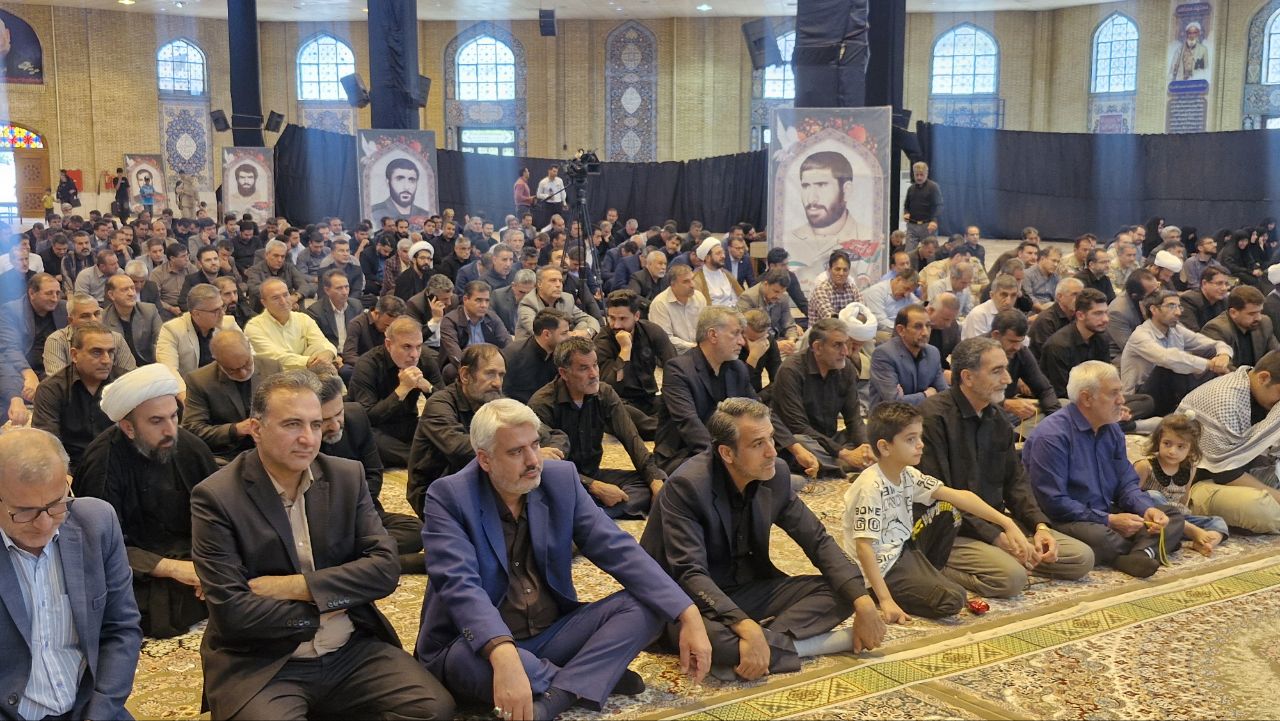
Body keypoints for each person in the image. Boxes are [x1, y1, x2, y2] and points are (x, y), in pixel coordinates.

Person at [415, 398, 710, 720]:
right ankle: (590, 678)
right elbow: (460, 587)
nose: (533, 460)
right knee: (480, 663)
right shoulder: (449, 496)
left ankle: (555, 695)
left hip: (552, 632)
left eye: (535, 445)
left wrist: (688, 612)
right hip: (475, 645)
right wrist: (503, 653)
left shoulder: (560, 479)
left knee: (648, 604)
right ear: (485, 459)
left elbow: (616, 548)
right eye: (516, 452)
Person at [190, 370, 454, 720]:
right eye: (292, 424)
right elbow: (233, 612)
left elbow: (384, 570)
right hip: (264, 661)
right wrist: (330, 604)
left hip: (350, 648)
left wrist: (297, 587)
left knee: (433, 709)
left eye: (315, 425)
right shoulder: (216, 496)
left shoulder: (346, 476)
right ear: (256, 429)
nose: (308, 438)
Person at [641, 397, 883, 682]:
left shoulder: (775, 474)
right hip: (685, 600)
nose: (772, 452)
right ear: (727, 453)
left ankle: (755, 650)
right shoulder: (687, 486)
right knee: (719, 642)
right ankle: (784, 646)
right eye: (758, 444)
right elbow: (689, 574)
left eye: (771, 438)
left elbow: (816, 539)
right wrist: (745, 625)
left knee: (843, 591)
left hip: (744, 587)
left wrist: (863, 600)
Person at [918, 338, 1094, 598]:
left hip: (996, 521)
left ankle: (1014, 559)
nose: (1008, 379)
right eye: (997, 371)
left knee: (1081, 557)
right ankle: (934, 566)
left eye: (1006, 369)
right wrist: (997, 538)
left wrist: (1040, 527)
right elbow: (942, 499)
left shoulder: (997, 417)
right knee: (1011, 579)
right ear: (967, 377)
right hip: (950, 529)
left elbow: (1016, 481)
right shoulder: (933, 418)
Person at [0, 428, 142, 721]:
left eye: (56, 505)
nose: (44, 524)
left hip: (90, 707)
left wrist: (98, 712)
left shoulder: (96, 523)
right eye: (25, 512)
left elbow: (121, 629)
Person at [843, 401, 1030, 621]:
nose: (920, 445)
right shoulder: (870, 487)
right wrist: (886, 600)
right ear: (885, 447)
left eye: (919, 437)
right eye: (910, 439)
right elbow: (864, 547)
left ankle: (930, 574)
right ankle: (879, 591)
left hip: (903, 548)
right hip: (881, 568)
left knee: (948, 509)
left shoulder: (907, 473)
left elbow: (960, 496)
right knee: (953, 599)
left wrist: (1007, 523)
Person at [76, 364, 217, 638]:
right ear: (128, 427)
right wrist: (172, 569)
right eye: (156, 421)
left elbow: (219, 516)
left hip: (192, 556)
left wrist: (208, 564)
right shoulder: (102, 463)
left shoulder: (190, 447)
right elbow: (97, 546)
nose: (170, 430)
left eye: (173, 416)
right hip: (137, 569)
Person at [1024, 361, 1185, 578]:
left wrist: (1145, 509)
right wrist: (1109, 520)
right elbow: (1054, 503)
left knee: (1171, 515)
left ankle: (1137, 554)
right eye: (1113, 393)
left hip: (1105, 510)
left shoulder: (1111, 429)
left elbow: (1126, 482)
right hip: (1069, 519)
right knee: (1100, 537)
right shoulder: (1052, 437)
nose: (1122, 400)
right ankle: (1148, 548)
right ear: (1086, 398)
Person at [406, 343, 568, 516]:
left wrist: (547, 453)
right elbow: (459, 449)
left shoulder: (497, 402)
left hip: (484, 482)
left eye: (501, 375)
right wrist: (528, 454)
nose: (497, 383)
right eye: (490, 374)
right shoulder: (439, 404)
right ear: (465, 375)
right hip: (437, 490)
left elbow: (555, 436)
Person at [653, 306, 816, 476]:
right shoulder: (679, 369)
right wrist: (732, 460)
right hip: (685, 454)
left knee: (783, 463)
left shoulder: (736, 368)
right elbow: (689, 424)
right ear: (713, 335)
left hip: (728, 451)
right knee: (771, 472)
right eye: (736, 334)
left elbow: (760, 412)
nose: (742, 342)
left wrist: (795, 448)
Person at [529, 337, 665, 518]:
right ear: (564, 373)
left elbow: (632, 440)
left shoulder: (604, 393)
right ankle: (594, 514)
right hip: (563, 481)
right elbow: (546, 466)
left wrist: (655, 480)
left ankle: (588, 515)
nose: (594, 374)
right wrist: (593, 486)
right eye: (584, 368)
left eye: (595, 365)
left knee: (649, 484)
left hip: (593, 473)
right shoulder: (542, 405)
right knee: (547, 497)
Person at [314, 372, 426, 575]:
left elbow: (374, 472)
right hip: (321, 521)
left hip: (360, 510)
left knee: (416, 530)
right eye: (325, 420)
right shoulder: (301, 440)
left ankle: (356, 561)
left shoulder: (356, 416)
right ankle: (388, 562)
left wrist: (354, 507)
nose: (335, 425)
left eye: (338, 414)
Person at [770, 318, 873, 479]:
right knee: (800, 442)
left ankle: (838, 463)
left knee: (869, 430)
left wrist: (866, 447)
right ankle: (842, 464)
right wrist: (844, 453)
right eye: (837, 345)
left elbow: (853, 418)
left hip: (829, 440)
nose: (845, 351)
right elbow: (798, 427)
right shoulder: (791, 370)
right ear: (817, 347)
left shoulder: (846, 369)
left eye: (846, 344)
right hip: (800, 442)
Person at [347, 317, 443, 468]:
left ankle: (417, 457)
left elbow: (444, 404)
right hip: (377, 427)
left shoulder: (424, 359)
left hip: (408, 422)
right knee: (366, 436)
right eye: (407, 347)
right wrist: (402, 389)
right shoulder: (367, 364)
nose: (414, 354)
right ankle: (419, 459)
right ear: (388, 344)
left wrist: (428, 387)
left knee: (440, 426)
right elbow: (368, 417)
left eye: (418, 346)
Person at [1120, 289, 1232, 415]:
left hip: (1167, 392)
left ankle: (1209, 406)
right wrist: (1210, 364)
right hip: (1140, 398)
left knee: (1211, 356)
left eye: (1179, 307)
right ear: (1154, 309)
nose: (1178, 312)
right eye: (1171, 306)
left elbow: (1214, 343)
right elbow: (1167, 358)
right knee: (1171, 367)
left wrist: (1223, 355)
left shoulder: (1176, 330)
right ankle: (1190, 406)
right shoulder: (1141, 335)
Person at [181, 328, 285, 462]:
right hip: (229, 455)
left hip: (272, 447)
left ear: (249, 348)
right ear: (217, 361)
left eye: (246, 364)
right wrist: (235, 429)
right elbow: (193, 430)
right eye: (232, 370)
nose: (242, 373)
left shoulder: (272, 368)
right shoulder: (200, 381)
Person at [1132, 414, 1228, 557]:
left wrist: (1183, 518)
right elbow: (1132, 497)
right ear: (1158, 441)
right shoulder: (1145, 466)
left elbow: (1183, 499)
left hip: (1179, 519)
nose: (1172, 451)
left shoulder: (1190, 468)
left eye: (1180, 446)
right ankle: (1191, 531)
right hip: (1155, 521)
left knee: (1218, 522)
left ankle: (1205, 543)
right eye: (1167, 443)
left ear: (1191, 449)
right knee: (1153, 496)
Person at [32, 321, 120, 475]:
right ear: (74, 355)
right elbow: (48, 445)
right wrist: (65, 479)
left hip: (119, 469)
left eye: (110, 352)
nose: (106, 360)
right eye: (97, 352)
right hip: (72, 471)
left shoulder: (123, 383)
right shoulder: (51, 389)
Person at [594, 289, 675, 439]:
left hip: (648, 399)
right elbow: (610, 386)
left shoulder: (651, 331)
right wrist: (625, 350)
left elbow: (674, 366)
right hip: (619, 403)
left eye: (623, 319)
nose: (616, 325)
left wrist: (671, 396)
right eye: (612, 318)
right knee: (622, 414)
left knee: (677, 401)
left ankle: (664, 426)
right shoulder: (602, 341)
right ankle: (668, 429)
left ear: (636, 316)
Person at [784, 152, 863, 281]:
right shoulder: (788, 239)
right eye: (806, 186)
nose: (811, 199)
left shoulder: (867, 237)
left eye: (821, 185)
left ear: (846, 190)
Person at [0, 273, 68, 423]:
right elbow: (10, 349)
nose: (55, 299)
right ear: (32, 293)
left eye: (58, 293)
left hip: (52, 367)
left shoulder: (63, 308)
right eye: (49, 293)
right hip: (20, 367)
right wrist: (29, 375)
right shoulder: (11, 311)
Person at [245, 278, 339, 372]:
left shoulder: (303, 319)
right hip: (277, 376)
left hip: (310, 371)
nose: (283, 301)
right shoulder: (254, 327)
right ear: (264, 303)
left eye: (286, 295)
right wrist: (309, 361)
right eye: (275, 298)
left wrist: (328, 353)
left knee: (321, 350)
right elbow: (275, 358)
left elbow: (322, 342)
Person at [869, 304, 948, 407]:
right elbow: (894, 402)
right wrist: (926, 395)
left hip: (924, 415)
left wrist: (906, 398)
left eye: (928, 326)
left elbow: (944, 395)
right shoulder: (884, 355)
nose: (925, 333)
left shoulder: (933, 353)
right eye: (918, 327)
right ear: (901, 330)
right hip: (891, 416)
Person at [989, 309, 1061, 421]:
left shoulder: (1020, 352)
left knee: (1062, 405)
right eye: (1012, 341)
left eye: (1020, 341)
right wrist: (1005, 404)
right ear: (996, 335)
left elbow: (1044, 390)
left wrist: (1057, 421)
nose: (1017, 347)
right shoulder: (976, 353)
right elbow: (970, 399)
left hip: (1008, 414)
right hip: (982, 418)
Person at [439, 280, 511, 382]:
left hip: (490, 362)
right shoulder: (450, 320)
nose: (484, 305)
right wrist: (476, 371)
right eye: (478, 300)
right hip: (466, 364)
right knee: (450, 370)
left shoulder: (491, 317)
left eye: (487, 301)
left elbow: (507, 342)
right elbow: (455, 354)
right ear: (465, 299)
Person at [1201, 284, 1279, 369]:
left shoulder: (1264, 323)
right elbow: (1222, 368)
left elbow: (1276, 354)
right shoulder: (1216, 329)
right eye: (1252, 314)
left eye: (1260, 312)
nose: (1258, 318)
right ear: (1233, 313)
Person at [517, 265, 600, 339]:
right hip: (535, 348)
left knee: (583, 324)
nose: (558, 285)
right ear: (539, 284)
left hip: (560, 343)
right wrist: (571, 335)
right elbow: (542, 334)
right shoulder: (528, 303)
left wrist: (589, 332)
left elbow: (590, 319)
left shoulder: (567, 299)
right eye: (553, 280)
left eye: (560, 281)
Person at [101, 273, 161, 366]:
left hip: (147, 365)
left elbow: (160, 341)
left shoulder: (149, 311)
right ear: (111, 295)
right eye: (125, 290)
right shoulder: (102, 318)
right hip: (119, 368)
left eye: (132, 288)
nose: (131, 293)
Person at [649, 264, 705, 352]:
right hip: (675, 353)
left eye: (692, 279)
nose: (692, 285)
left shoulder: (699, 297)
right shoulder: (660, 304)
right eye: (686, 282)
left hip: (700, 349)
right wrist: (695, 347)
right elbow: (665, 338)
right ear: (673, 284)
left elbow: (705, 327)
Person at [861, 269, 921, 340]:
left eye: (910, 291)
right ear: (898, 279)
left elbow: (919, 310)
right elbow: (880, 322)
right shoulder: (876, 292)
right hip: (876, 330)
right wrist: (904, 331)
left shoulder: (909, 296)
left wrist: (924, 294)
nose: (906, 294)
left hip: (899, 330)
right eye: (906, 289)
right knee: (894, 339)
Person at [961, 274, 1020, 340]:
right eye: (1004, 295)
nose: (1008, 301)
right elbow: (977, 345)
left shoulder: (1015, 315)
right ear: (992, 295)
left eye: (1013, 295)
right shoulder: (978, 315)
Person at [807, 250, 860, 325]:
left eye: (845, 270)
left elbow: (863, 312)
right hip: (823, 331)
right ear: (829, 270)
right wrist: (853, 319)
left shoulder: (853, 289)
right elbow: (831, 320)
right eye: (837, 269)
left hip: (848, 329)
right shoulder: (820, 290)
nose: (841, 273)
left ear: (849, 271)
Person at [902, 161, 942, 252]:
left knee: (930, 253)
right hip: (912, 226)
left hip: (928, 226)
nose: (919, 177)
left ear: (926, 174)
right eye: (917, 175)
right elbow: (906, 205)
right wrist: (906, 213)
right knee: (908, 253)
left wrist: (934, 221)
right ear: (913, 174)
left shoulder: (933, 187)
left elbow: (939, 206)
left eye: (921, 175)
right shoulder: (911, 188)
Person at [1179, 266, 1230, 333]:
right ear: (1204, 283)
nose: (1224, 288)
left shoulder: (1225, 301)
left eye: (1226, 284)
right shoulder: (1188, 300)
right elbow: (1192, 332)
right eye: (1219, 283)